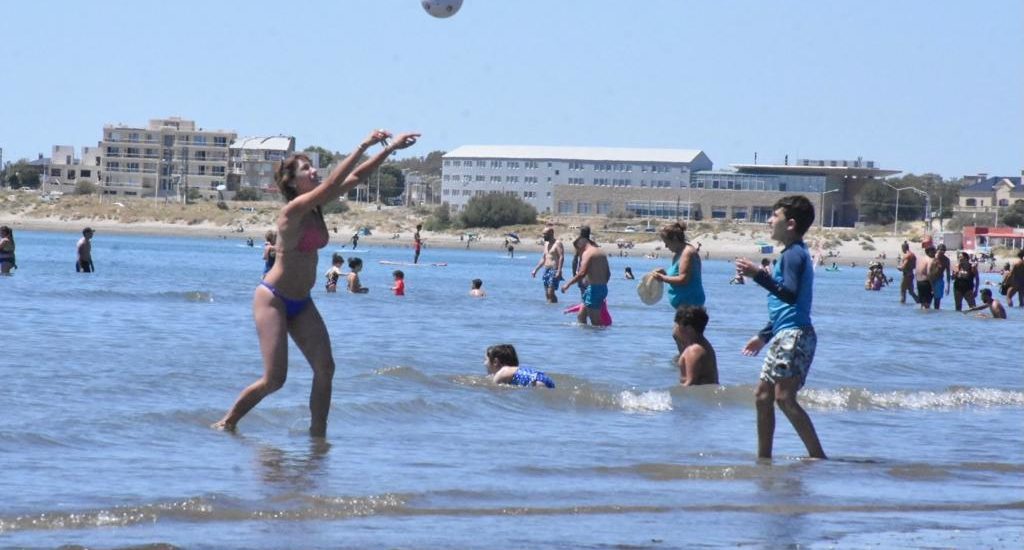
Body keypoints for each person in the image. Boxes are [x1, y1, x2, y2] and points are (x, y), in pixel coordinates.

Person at [214, 129, 418, 437]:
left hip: (303, 301)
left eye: (313, 166)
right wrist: (362, 143)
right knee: (275, 379)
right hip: (274, 298)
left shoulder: (317, 207)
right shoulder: (291, 211)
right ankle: (227, 423)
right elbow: (335, 182)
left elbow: (357, 177)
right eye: (307, 169)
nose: (314, 171)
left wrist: (390, 150)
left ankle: (317, 437)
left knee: (325, 368)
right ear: (293, 182)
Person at [735, 195, 825, 460]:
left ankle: (818, 457)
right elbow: (785, 309)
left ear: (790, 224)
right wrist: (764, 336)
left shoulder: (795, 254)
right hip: (784, 334)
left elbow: (790, 295)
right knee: (763, 396)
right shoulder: (789, 253)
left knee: (784, 398)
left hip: (795, 336)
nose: (769, 220)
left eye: (775, 216)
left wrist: (758, 275)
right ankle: (764, 459)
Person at [653, 222, 706, 311]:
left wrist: (662, 278)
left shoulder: (687, 252)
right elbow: (675, 277)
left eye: (667, 243)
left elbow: (683, 279)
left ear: (674, 238)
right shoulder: (678, 254)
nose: (666, 246)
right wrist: (664, 274)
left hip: (691, 305)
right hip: (682, 307)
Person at [560, 235, 611, 326]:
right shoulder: (601, 252)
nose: (578, 253)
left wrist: (567, 284)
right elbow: (608, 274)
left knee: (595, 321)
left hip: (594, 290)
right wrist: (601, 286)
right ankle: (584, 339)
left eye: (578, 250)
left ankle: (600, 339)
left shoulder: (587, 253)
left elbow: (582, 273)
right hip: (601, 288)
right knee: (581, 316)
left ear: (580, 246)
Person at [673, 305, 719, 386]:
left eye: (677, 324)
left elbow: (691, 383)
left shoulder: (694, 350)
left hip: (700, 397)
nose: (674, 328)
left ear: (688, 328)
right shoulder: (703, 345)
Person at [484, 344, 555, 388]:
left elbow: (494, 389)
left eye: (486, 360)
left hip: (537, 383)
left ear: (495, 362)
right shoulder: (512, 371)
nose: (484, 363)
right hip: (545, 378)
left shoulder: (501, 373)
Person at [531, 225, 564, 303]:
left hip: (554, 270)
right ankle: (551, 308)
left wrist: (559, 270)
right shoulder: (546, 244)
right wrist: (535, 270)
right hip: (546, 270)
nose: (543, 236)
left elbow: (561, 257)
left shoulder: (557, 243)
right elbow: (543, 258)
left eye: (545, 234)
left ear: (551, 233)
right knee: (547, 294)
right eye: (543, 234)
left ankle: (552, 305)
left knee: (550, 293)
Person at [932, 244, 952, 309]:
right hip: (930, 280)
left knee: (937, 300)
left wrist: (948, 286)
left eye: (944, 250)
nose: (942, 252)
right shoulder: (932, 258)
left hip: (939, 280)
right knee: (927, 300)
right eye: (941, 250)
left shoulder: (946, 260)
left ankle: (936, 315)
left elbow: (948, 273)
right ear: (937, 250)